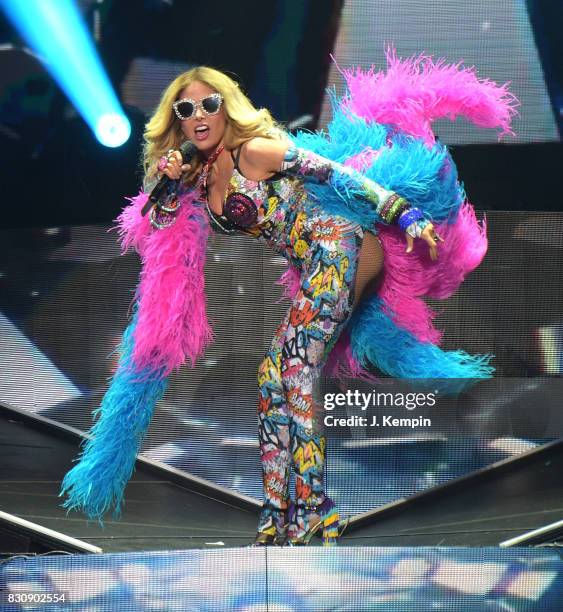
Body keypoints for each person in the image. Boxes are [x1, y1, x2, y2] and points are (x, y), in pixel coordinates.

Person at [60, 54, 517, 546]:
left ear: (226, 108)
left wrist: (401, 212)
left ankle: (315, 511)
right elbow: (160, 224)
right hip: (318, 263)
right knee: (272, 375)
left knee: (294, 369)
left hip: (342, 246)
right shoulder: (197, 176)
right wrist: (169, 182)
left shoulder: (253, 151)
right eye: (184, 110)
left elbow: (333, 175)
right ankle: (277, 514)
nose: (196, 117)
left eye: (207, 104)